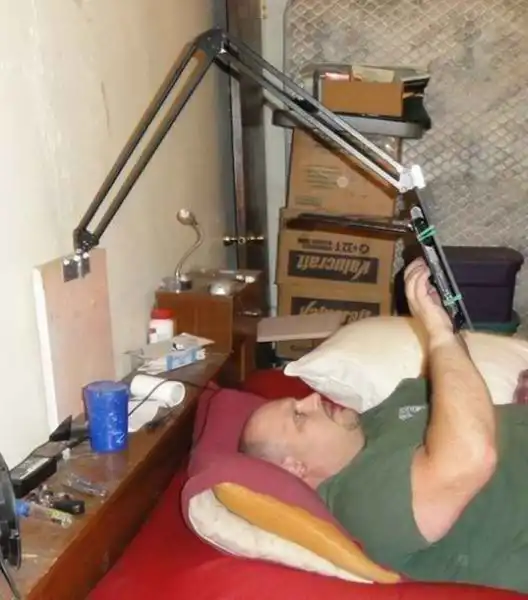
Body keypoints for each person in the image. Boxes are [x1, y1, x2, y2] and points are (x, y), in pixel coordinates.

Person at [239, 257, 528, 594]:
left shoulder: (377, 418)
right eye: (299, 417)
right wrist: (438, 334)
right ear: (296, 467)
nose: (313, 399)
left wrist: (441, 313)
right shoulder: (360, 502)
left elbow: (458, 386)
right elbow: (472, 457)